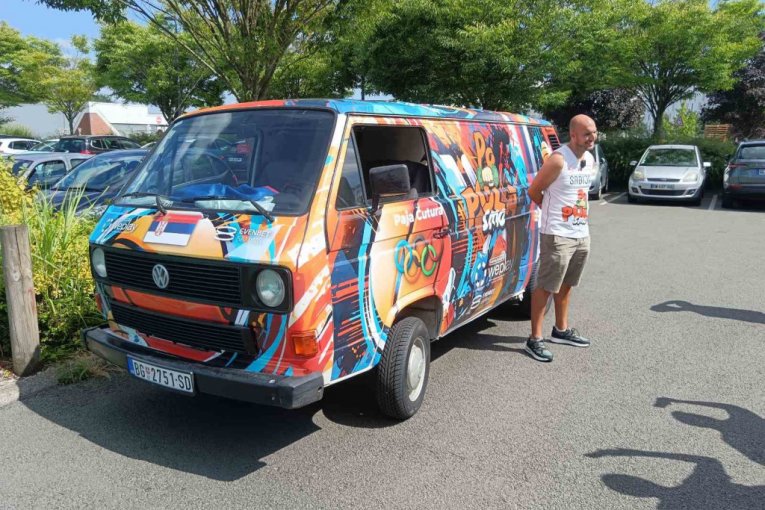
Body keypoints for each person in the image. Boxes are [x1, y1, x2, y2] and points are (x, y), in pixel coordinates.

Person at [525, 114, 597, 362]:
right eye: (586, 133)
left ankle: (561, 330)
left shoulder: (589, 159)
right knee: (546, 286)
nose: (592, 137)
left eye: (594, 132)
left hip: (580, 233)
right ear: (573, 135)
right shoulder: (558, 160)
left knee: (567, 284)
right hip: (557, 234)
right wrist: (553, 213)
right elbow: (534, 191)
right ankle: (534, 339)